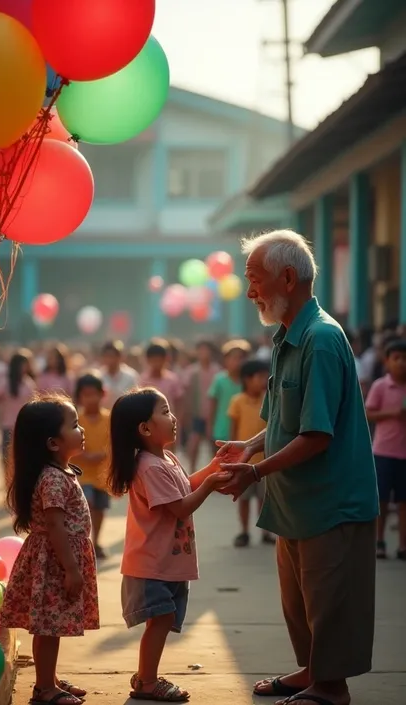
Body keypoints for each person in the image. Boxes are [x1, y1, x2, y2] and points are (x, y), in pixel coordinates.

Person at [217, 230, 379, 705]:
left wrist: (256, 473)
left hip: (331, 501)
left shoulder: (322, 339)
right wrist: (248, 446)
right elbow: (285, 421)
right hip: (296, 501)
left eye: (255, 280)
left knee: (328, 603)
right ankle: (313, 672)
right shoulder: (288, 335)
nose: (250, 291)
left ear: (287, 277)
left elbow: (317, 435)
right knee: (300, 603)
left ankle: (330, 687)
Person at [108, 387, 233, 702]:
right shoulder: (149, 467)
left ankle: (145, 677)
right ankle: (147, 681)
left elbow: (185, 487)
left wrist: (214, 467)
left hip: (167, 562)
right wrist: (209, 485)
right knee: (160, 620)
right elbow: (181, 507)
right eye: (164, 411)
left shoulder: (165, 459)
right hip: (152, 564)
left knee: (162, 621)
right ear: (145, 428)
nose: (174, 417)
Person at [0, 393, 99, 705]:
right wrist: (71, 569)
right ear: (53, 443)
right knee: (49, 628)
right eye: (74, 425)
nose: (81, 430)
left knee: (47, 625)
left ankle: (49, 678)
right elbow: (55, 526)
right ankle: (44, 689)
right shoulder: (53, 479)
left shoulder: (60, 472)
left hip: (55, 558)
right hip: (55, 562)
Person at [365, 338, 406, 560]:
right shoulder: (381, 386)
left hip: (404, 454)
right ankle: (379, 542)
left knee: (403, 502)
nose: (402, 363)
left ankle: (402, 545)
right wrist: (392, 414)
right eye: (396, 359)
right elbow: (368, 413)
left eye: (405, 359)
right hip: (383, 452)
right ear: (387, 361)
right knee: (380, 501)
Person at [227, 359, 273, 547]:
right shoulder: (237, 402)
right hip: (244, 461)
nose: (264, 380)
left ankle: (265, 532)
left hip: (265, 459)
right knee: (244, 499)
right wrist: (231, 454)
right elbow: (233, 429)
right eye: (260, 376)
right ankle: (244, 531)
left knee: (264, 498)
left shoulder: (269, 399)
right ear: (247, 379)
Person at [74, 372, 111, 560]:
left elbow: (113, 445)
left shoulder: (109, 419)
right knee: (87, 505)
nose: (90, 399)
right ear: (79, 396)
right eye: (85, 394)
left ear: (102, 394)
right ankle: (84, 543)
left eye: (93, 394)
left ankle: (95, 542)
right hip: (81, 474)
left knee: (99, 510)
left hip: (102, 475)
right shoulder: (75, 419)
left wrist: (102, 455)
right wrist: (85, 456)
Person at [0, 349, 36, 467]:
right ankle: (8, 482)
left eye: (27, 364)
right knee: (7, 457)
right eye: (23, 364)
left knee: (23, 456)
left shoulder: (28, 383)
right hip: (7, 425)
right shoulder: (5, 382)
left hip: (24, 425)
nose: (25, 367)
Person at [207, 340, 251, 451]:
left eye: (241, 358)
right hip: (221, 431)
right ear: (225, 360)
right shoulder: (219, 380)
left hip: (243, 433)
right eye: (234, 358)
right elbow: (212, 406)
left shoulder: (249, 382)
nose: (237, 362)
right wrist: (210, 427)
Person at [185, 340, 220, 474]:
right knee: (194, 442)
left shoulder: (217, 371)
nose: (203, 353)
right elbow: (187, 393)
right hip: (197, 412)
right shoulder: (192, 371)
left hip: (214, 413)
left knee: (214, 444)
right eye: (201, 350)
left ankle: (215, 471)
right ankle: (192, 470)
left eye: (206, 350)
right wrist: (187, 412)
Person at [139, 341, 184, 421]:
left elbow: (179, 404)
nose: (157, 364)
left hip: (169, 422)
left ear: (165, 360)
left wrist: (178, 422)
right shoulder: (143, 380)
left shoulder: (172, 379)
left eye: (159, 360)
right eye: (154, 360)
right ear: (148, 360)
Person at [100, 340, 139, 408]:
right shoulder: (99, 376)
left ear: (120, 356)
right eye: (107, 356)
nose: (110, 359)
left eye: (112, 356)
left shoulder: (130, 376)